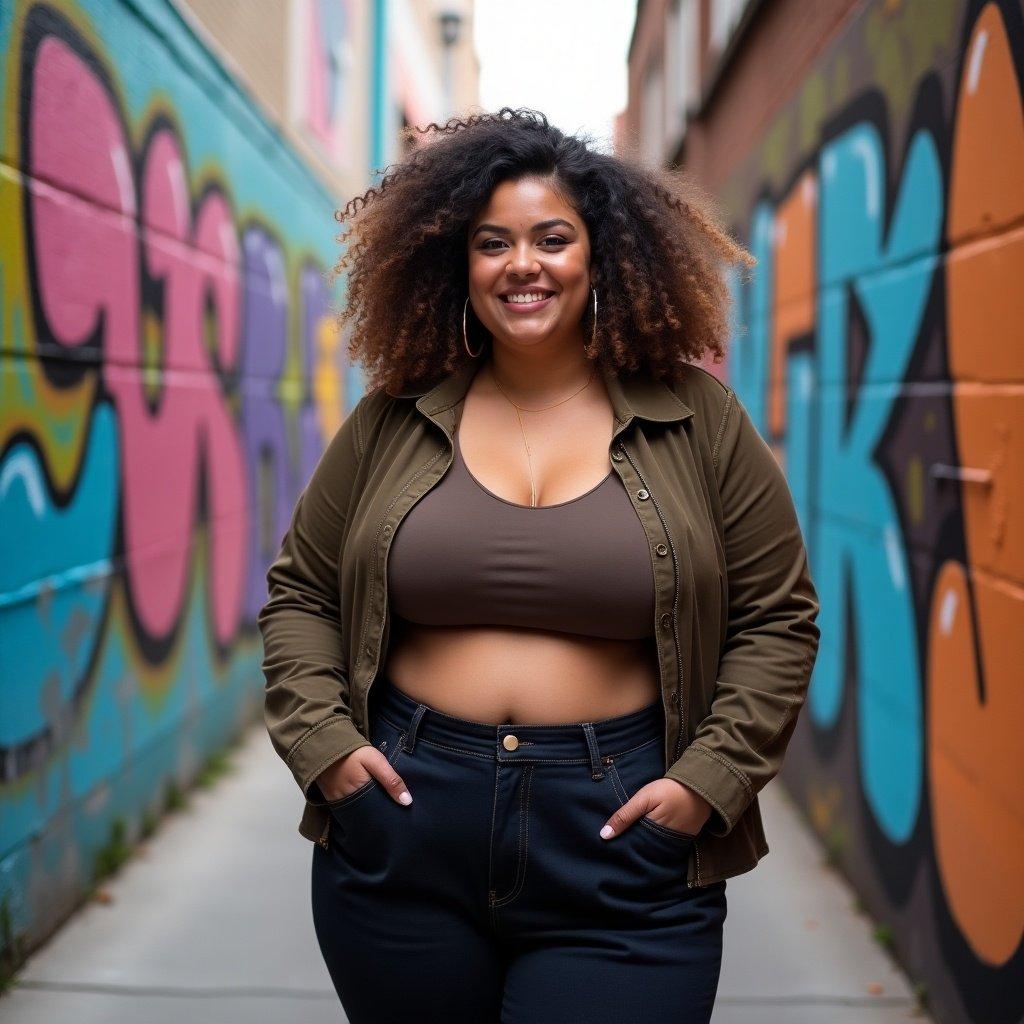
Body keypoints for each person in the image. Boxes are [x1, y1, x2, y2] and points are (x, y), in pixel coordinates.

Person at [257, 108, 820, 1024]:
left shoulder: (698, 420)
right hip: (405, 824)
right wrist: (327, 751)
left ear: (601, 256)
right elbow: (304, 594)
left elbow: (776, 619)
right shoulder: (394, 416)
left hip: (620, 835)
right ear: (458, 264)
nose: (524, 264)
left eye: (553, 238)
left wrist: (708, 783)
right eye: (493, 243)